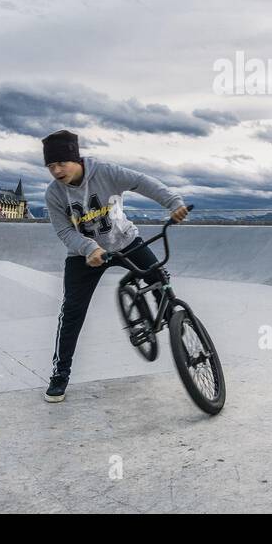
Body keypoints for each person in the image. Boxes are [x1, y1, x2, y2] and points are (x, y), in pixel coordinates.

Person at [41, 129, 189, 403]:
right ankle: (60, 374)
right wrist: (89, 248)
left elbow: (142, 182)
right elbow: (64, 232)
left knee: (159, 278)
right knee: (72, 312)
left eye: (62, 163)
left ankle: (176, 328)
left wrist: (173, 203)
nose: (57, 170)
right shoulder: (54, 194)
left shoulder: (106, 172)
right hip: (84, 256)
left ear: (77, 159)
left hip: (124, 241)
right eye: (51, 166)